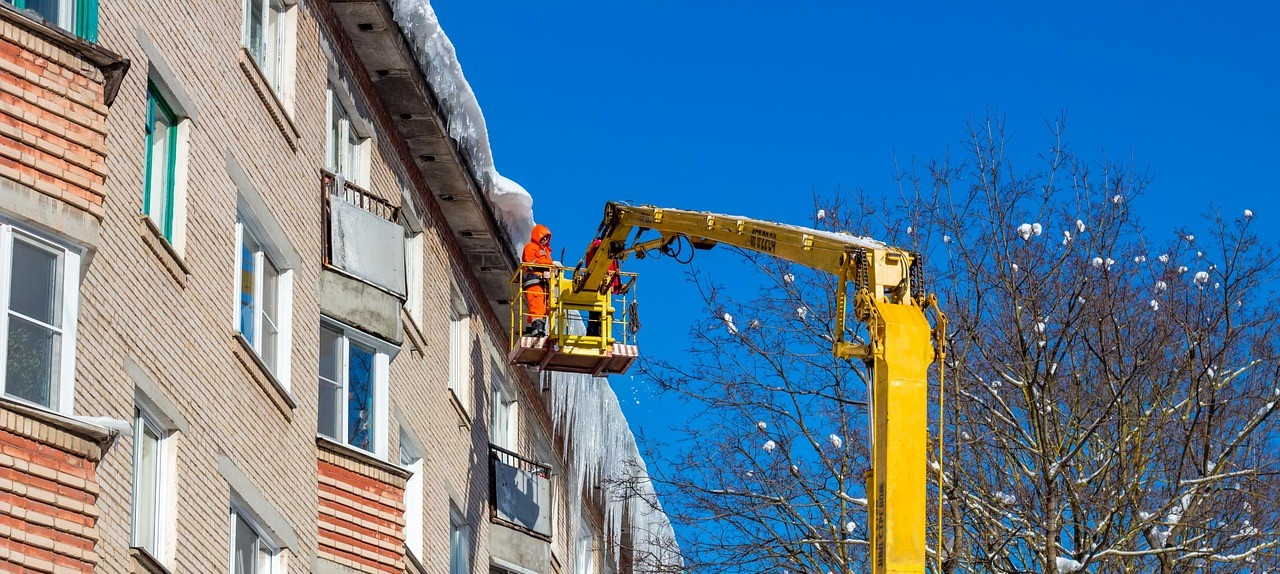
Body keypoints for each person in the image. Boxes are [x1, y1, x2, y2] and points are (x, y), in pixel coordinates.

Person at [583, 238, 624, 337]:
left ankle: (597, 334)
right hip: (598, 285)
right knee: (596, 312)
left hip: (603, 286)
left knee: (599, 312)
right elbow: (603, 264)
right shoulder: (599, 245)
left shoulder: (605, 248)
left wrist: (618, 286)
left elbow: (612, 269)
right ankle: (595, 335)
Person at [521, 224, 554, 337]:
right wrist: (549, 265)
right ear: (538, 236)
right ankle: (537, 331)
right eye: (543, 237)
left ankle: (532, 331)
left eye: (547, 238)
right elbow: (531, 262)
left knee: (544, 309)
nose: (545, 239)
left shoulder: (546, 252)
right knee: (537, 306)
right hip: (534, 280)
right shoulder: (531, 247)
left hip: (544, 282)